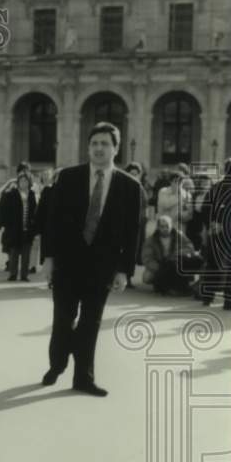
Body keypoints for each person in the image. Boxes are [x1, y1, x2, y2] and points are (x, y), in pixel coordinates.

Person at [40, 122, 142, 397]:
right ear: (88, 147)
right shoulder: (68, 178)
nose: (98, 148)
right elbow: (52, 222)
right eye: (94, 143)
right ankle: (57, 363)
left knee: (90, 322)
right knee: (63, 319)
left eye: (105, 144)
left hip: (103, 267)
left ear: (116, 149)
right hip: (67, 263)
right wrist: (48, 259)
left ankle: (83, 377)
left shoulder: (131, 188)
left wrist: (124, 271)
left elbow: (133, 233)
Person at [203, 157, 231, 310]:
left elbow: (204, 209)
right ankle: (229, 301)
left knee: (213, 264)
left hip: (216, 232)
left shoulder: (216, 187)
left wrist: (212, 224)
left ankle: (207, 297)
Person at [141, 215, 201, 295]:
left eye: (167, 226)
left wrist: (177, 254)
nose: (165, 229)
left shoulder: (179, 235)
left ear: (171, 226)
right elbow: (147, 259)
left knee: (197, 260)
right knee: (147, 277)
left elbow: (190, 247)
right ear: (158, 227)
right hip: (160, 264)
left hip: (175, 261)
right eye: (162, 226)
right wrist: (160, 269)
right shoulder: (151, 240)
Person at [0, 172, 37, 281]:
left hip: (27, 228)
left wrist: (35, 226)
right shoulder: (12, 194)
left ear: (29, 183)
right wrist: (1, 224)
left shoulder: (32, 194)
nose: (23, 183)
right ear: (18, 182)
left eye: (25, 181)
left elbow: (35, 211)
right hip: (14, 228)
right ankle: (13, 274)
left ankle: (24, 275)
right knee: (14, 252)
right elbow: (4, 209)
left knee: (26, 253)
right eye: (21, 181)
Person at [123, 162, 149, 288]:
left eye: (136, 174)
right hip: (123, 224)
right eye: (131, 174)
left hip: (138, 224)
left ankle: (128, 277)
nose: (133, 176)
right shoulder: (121, 187)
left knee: (132, 251)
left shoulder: (141, 188)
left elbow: (144, 207)